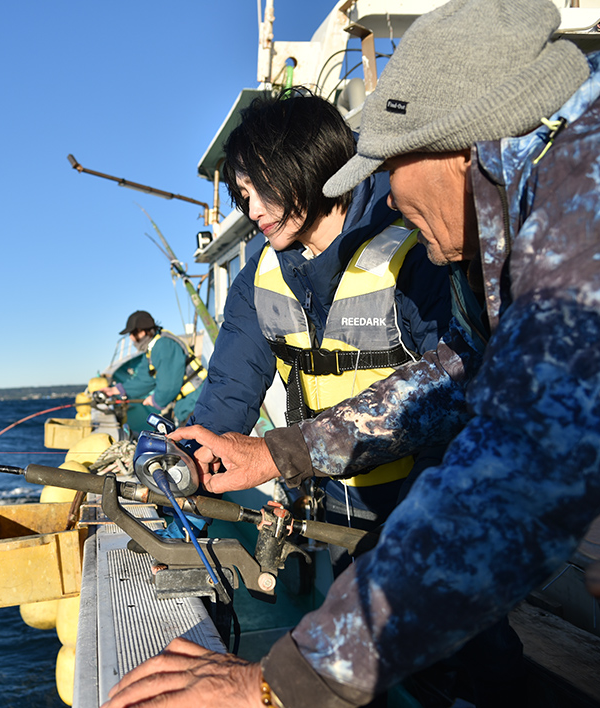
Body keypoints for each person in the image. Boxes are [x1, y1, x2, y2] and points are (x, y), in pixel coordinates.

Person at [99, 1, 600, 708]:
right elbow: (454, 377)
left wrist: (280, 683)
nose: (382, 196)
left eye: (383, 166)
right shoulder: (514, 208)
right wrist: (279, 454)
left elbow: (524, 469)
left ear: (454, 144)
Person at [186, 89, 451, 548]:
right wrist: (187, 465)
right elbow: (230, 388)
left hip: (420, 494)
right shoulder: (257, 280)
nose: (253, 211)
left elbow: (456, 390)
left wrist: (419, 521)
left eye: (260, 189)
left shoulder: (416, 248)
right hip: (321, 490)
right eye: (244, 196)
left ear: (306, 162)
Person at [105, 310, 205, 433]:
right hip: (187, 404)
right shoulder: (152, 348)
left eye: (132, 333)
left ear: (142, 332)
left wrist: (155, 400)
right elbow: (144, 379)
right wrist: (115, 390)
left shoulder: (164, 345)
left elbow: (169, 386)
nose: (130, 337)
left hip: (197, 403)